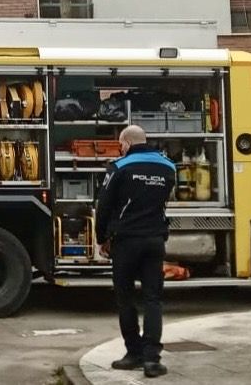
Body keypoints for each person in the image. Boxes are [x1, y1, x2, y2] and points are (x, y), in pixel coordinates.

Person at [95, 125, 177, 379]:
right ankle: (153, 360)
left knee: (126, 298)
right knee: (153, 299)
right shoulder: (168, 167)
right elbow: (166, 199)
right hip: (154, 240)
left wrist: (102, 238)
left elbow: (104, 205)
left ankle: (133, 354)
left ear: (127, 144)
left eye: (121, 145)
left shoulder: (119, 168)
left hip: (126, 242)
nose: (121, 149)